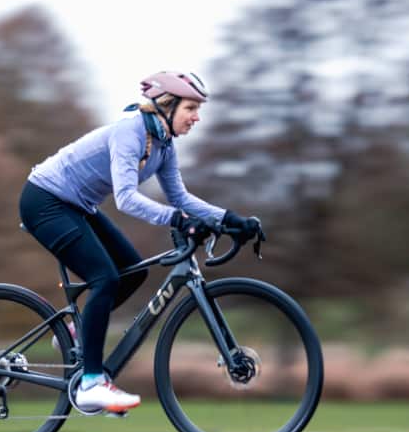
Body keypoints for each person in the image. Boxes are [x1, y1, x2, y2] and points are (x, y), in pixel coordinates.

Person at [19, 71, 262, 413]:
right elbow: (126, 199)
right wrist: (177, 220)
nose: (197, 117)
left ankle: (78, 333)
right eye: (191, 108)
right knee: (105, 278)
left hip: (77, 205)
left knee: (133, 273)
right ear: (167, 105)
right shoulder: (130, 132)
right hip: (45, 201)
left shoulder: (164, 145)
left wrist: (230, 219)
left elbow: (180, 197)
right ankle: (91, 384)